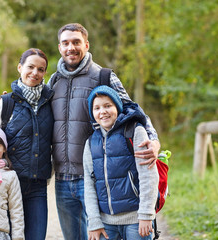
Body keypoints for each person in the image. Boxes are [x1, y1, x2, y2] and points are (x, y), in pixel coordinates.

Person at [47, 23, 161, 240]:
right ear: (60, 47)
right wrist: (4, 104)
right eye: (66, 43)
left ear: (86, 45)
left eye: (76, 42)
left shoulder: (104, 76)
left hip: (95, 178)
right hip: (63, 179)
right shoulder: (54, 81)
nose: (71, 47)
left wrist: (154, 140)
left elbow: (134, 110)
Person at [0, 48, 54, 240]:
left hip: (37, 186)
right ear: (19, 67)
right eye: (30, 67)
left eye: (41, 69)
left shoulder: (51, 101)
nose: (35, 73)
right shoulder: (6, 103)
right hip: (6, 185)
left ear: (45, 73)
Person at [83, 85, 159, 240]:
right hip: (106, 223)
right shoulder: (91, 142)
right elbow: (89, 184)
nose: (102, 111)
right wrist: (94, 221)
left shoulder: (135, 132)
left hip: (136, 219)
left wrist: (145, 214)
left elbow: (148, 176)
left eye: (107, 106)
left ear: (117, 107)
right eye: (96, 108)